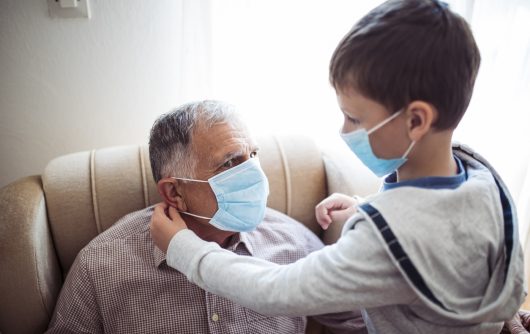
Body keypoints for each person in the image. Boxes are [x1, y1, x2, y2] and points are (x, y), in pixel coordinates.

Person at [150, 1, 527, 333]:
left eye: (353, 117)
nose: (343, 130)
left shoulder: (379, 244)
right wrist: (370, 209)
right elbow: (447, 235)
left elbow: (273, 290)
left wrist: (183, 248)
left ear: (415, 121)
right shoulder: (481, 174)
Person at [46, 100, 365, 333]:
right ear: (174, 192)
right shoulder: (101, 267)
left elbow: (365, 320)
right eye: (229, 163)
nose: (253, 172)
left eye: (252, 155)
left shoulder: (295, 245)